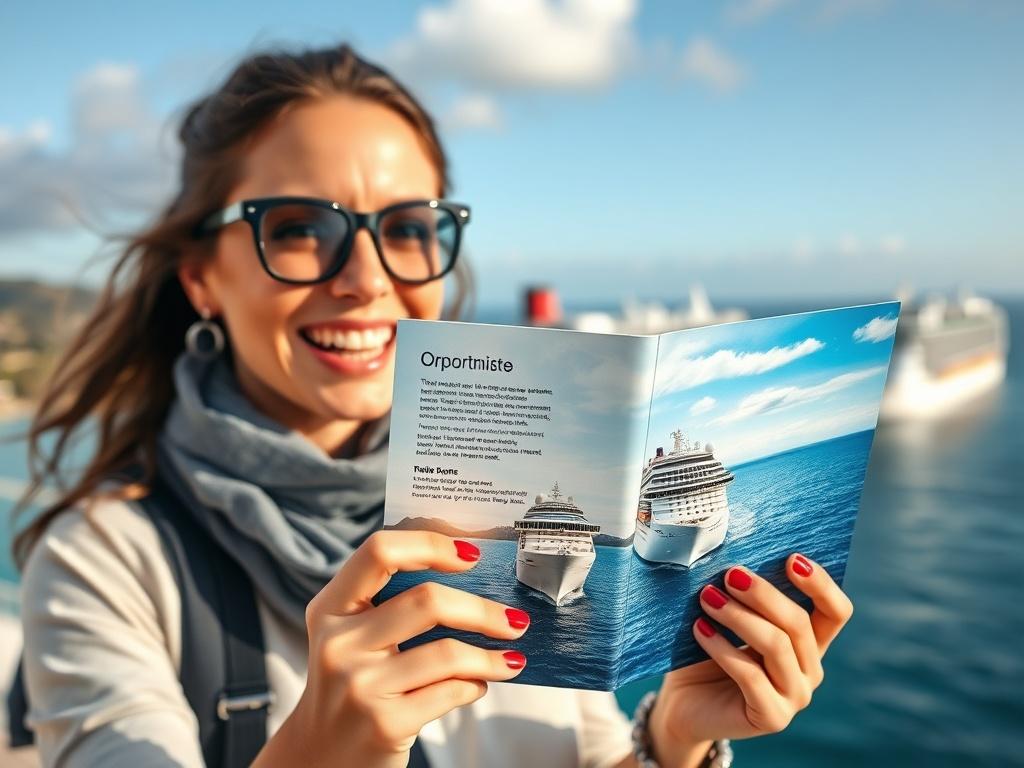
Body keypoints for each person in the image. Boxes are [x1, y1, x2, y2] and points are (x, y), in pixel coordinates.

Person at [11, 43, 854, 768]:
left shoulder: (510, 496)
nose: (368, 278)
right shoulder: (105, 565)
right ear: (200, 277)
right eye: (301, 226)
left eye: (409, 228)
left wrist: (672, 739)